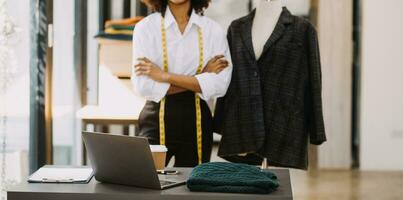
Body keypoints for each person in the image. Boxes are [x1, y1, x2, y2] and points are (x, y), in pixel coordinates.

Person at [131, 0, 232, 167]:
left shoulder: (213, 30)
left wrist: (163, 76)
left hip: (198, 121)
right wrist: (201, 77)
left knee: (192, 187)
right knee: (148, 184)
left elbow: (220, 85)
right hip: (155, 119)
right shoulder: (145, 28)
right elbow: (143, 86)